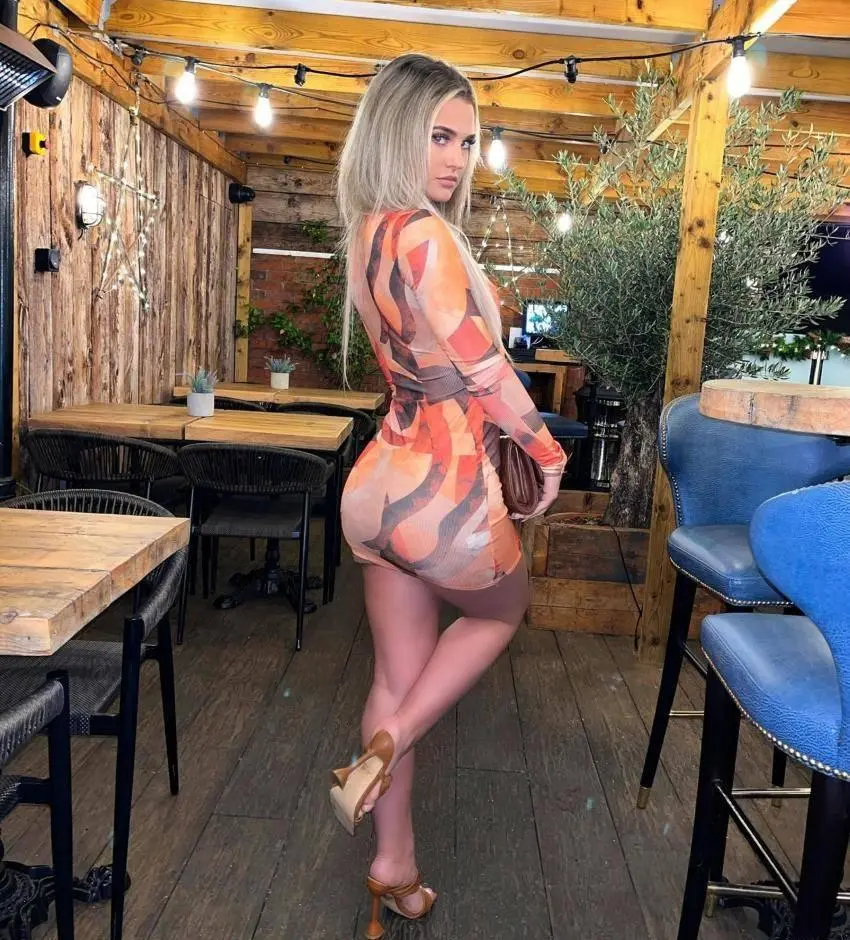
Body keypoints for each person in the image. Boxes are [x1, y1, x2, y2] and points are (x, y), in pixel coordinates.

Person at [329, 52, 568, 938]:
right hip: (446, 487)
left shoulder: (365, 233)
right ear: (396, 130)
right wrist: (546, 453)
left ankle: (394, 865)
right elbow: (481, 367)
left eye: (467, 142)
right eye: (439, 136)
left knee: (395, 676)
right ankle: (385, 748)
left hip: (378, 483)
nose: (457, 159)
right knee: (502, 613)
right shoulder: (424, 235)